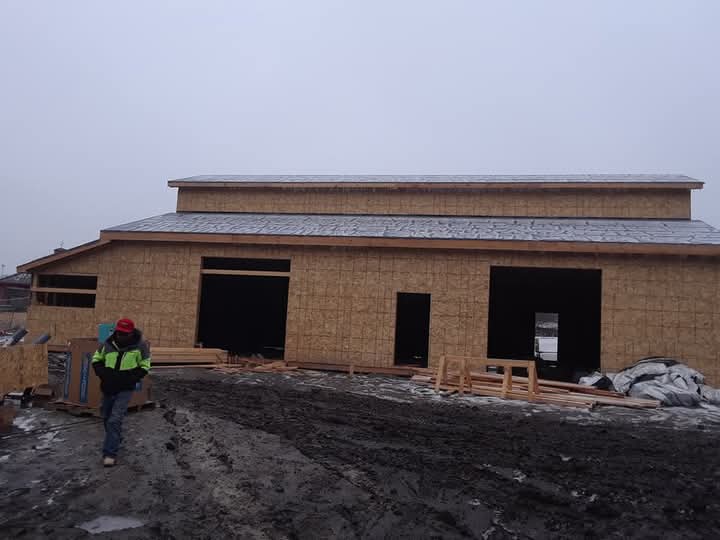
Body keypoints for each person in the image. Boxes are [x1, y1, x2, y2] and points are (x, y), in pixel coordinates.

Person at [92, 318, 151, 467]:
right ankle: (115, 438)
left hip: (125, 389)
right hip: (108, 387)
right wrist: (103, 373)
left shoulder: (140, 346)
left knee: (114, 420)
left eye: (124, 334)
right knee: (106, 417)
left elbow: (145, 365)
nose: (121, 336)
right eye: (119, 333)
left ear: (131, 333)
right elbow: (96, 359)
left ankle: (109, 453)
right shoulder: (107, 344)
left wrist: (131, 377)